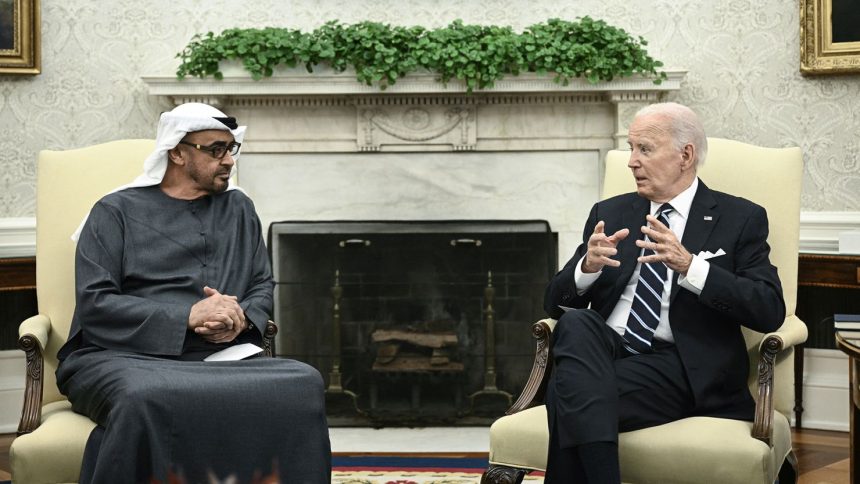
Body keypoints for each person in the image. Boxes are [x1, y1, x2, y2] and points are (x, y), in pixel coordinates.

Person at [56, 102, 331, 484]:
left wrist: (237, 320)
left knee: (303, 383)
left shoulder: (239, 208)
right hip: (120, 354)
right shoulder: (113, 211)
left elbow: (260, 284)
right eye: (215, 149)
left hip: (220, 353)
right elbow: (95, 303)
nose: (228, 161)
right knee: (142, 397)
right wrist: (188, 316)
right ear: (177, 152)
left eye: (230, 149)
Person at [542, 102, 785, 483]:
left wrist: (692, 266)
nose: (631, 162)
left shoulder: (739, 218)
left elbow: (769, 308)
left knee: (565, 392)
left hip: (682, 365)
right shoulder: (612, 212)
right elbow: (553, 303)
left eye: (645, 149)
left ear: (685, 155)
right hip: (609, 351)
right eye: (631, 148)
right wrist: (585, 269)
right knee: (577, 325)